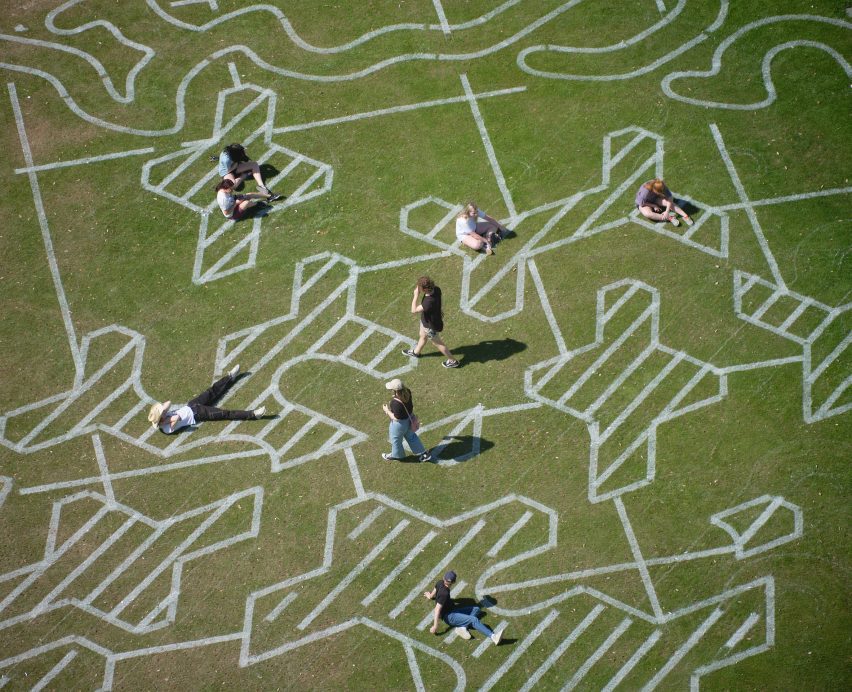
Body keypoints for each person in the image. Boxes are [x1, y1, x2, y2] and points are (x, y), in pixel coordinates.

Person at [147, 365, 266, 434]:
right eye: (161, 414)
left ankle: (230, 377)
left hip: (192, 405)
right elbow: (177, 418)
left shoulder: (164, 415)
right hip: (198, 414)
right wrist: (165, 420)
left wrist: (162, 411)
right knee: (225, 413)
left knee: (212, 391)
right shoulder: (166, 429)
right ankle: (254, 414)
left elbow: (168, 403)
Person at [423, 570, 504, 645]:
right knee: (473, 619)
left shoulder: (440, 582)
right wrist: (435, 626)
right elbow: (437, 609)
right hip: (449, 616)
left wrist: (430, 596)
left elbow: (435, 589)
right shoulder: (444, 594)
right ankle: (493, 637)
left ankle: (462, 627)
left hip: (453, 611)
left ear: (444, 577)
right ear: (454, 582)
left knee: (477, 609)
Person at [401, 276, 460, 368]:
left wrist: (415, 295)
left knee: (437, 343)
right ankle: (416, 352)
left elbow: (414, 310)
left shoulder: (428, 302)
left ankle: (453, 361)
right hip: (427, 321)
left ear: (424, 290)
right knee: (422, 335)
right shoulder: (437, 289)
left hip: (430, 326)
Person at [381, 378, 431, 462]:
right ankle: (424, 454)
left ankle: (397, 456)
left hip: (399, 425)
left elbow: (395, 417)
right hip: (410, 419)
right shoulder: (408, 392)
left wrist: (386, 410)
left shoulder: (394, 403)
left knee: (396, 440)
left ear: (394, 390)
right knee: (412, 437)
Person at [217, 143, 282, 201]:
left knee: (254, 164)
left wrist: (243, 161)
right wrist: (241, 172)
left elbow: (244, 157)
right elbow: (229, 170)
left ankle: (261, 186)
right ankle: (244, 175)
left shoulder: (235, 151)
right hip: (227, 171)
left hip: (236, 166)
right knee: (232, 185)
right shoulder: (226, 160)